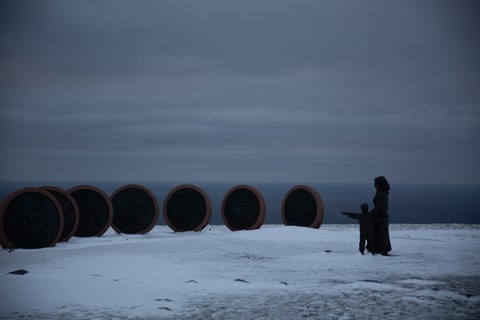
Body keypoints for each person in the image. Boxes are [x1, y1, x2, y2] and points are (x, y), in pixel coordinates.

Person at [370, 176, 392, 255]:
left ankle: (379, 249)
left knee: (379, 234)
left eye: (375, 182)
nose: (374, 184)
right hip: (384, 216)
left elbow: (378, 207)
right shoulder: (384, 193)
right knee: (382, 234)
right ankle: (382, 249)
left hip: (379, 217)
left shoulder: (379, 193)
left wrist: (371, 213)